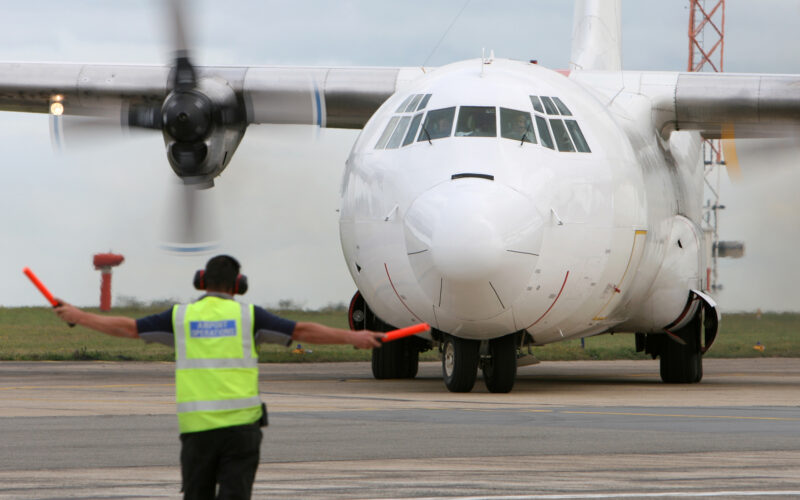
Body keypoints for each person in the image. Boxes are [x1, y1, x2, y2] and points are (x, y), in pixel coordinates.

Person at [53, 254, 384, 500]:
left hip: (199, 434)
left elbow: (127, 328)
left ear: (201, 281)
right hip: (242, 431)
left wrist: (79, 315)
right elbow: (303, 331)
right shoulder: (249, 316)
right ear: (239, 285)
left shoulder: (181, 317)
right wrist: (352, 337)